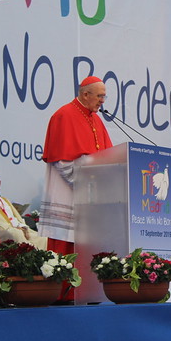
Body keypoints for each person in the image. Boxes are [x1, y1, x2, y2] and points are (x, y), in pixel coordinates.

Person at [39, 76, 113, 244]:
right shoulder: (64, 115)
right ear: (86, 94)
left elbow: (108, 156)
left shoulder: (97, 120)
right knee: (65, 247)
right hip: (68, 192)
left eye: (104, 96)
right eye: (99, 96)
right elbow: (62, 161)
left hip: (91, 197)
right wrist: (88, 182)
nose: (102, 101)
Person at [0, 163, 47, 249]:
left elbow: (16, 218)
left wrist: (22, 227)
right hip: (7, 230)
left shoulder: (4, 200)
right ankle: (31, 257)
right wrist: (16, 228)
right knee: (17, 233)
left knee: (43, 239)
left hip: (19, 228)